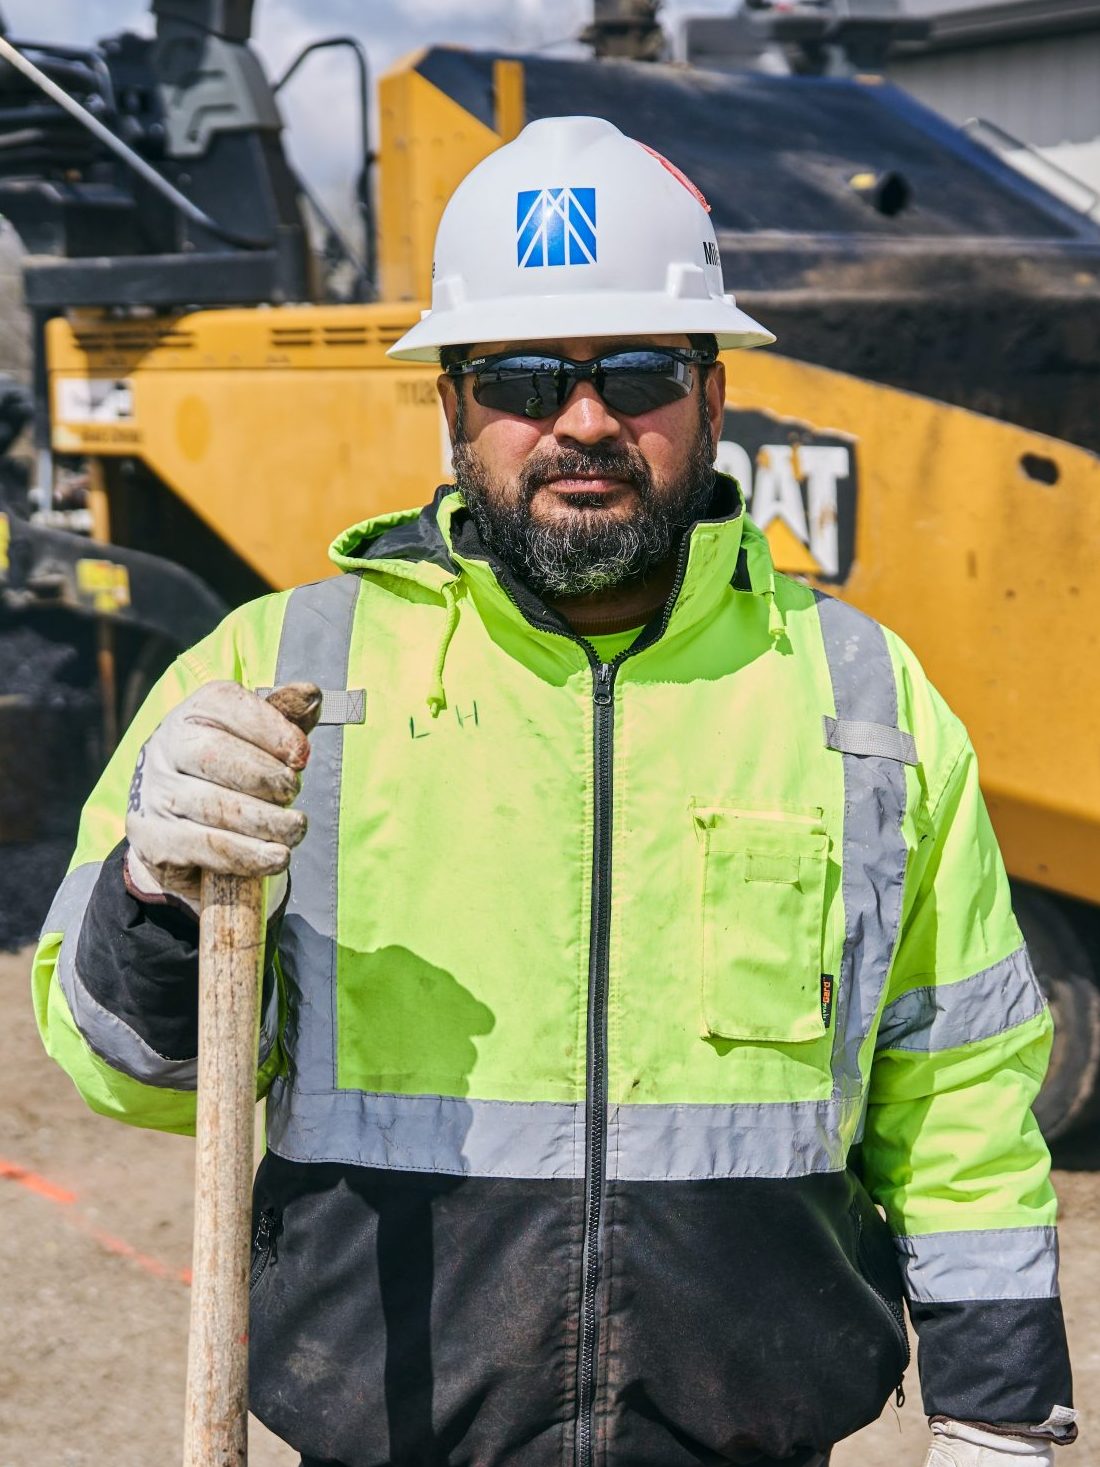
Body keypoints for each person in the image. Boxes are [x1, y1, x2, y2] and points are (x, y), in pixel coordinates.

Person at [34, 116, 1075, 1467]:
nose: (584, 419)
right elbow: (128, 1069)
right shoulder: (275, 672)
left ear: (713, 389)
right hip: (387, 1431)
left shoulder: (859, 699)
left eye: (636, 369)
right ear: (453, 402)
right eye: (525, 374)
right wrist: (154, 893)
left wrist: (999, 1415)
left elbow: (961, 1091)